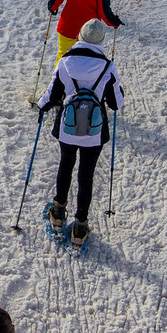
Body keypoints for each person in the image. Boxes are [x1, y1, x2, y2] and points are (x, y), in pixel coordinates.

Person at [36, 20, 123, 246]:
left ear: (80, 36)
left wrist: (41, 105)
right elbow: (116, 104)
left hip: (68, 128)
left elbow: (51, 95)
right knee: (87, 174)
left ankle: (57, 213)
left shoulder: (65, 62)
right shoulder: (108, 67)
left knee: (66, 165)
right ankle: (80, 226)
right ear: (101, 41)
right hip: (94, 133)